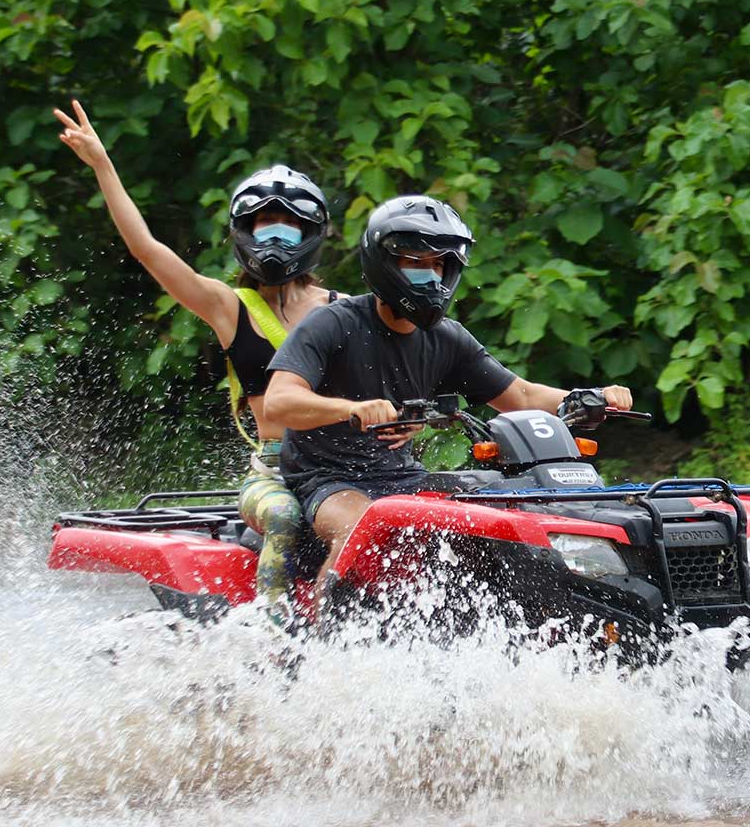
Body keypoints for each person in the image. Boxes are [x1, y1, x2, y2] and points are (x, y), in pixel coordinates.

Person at [52, 99, 335, 620]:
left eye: (288, 228)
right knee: (284, 516)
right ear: (243, 234)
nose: (274, 237)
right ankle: (275, 630)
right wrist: (102, 165)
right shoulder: (227, 306)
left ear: (312, 234)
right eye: (263, 225)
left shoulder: (345, 313)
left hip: (344, 464)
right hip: (275, 474)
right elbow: (146, 249)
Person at [263, 195, 632, 587]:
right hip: (328, 480)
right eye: (416, 263)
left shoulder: (446, 338)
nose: (430, 275)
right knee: (364, 529)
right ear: (384, 264)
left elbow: (520, 396)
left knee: (499, 509)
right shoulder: (334, 323)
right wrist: (351, 409)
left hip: (402, 478)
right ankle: (322, 638)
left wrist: (589, 396)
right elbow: (279, 403)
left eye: (438, 264)